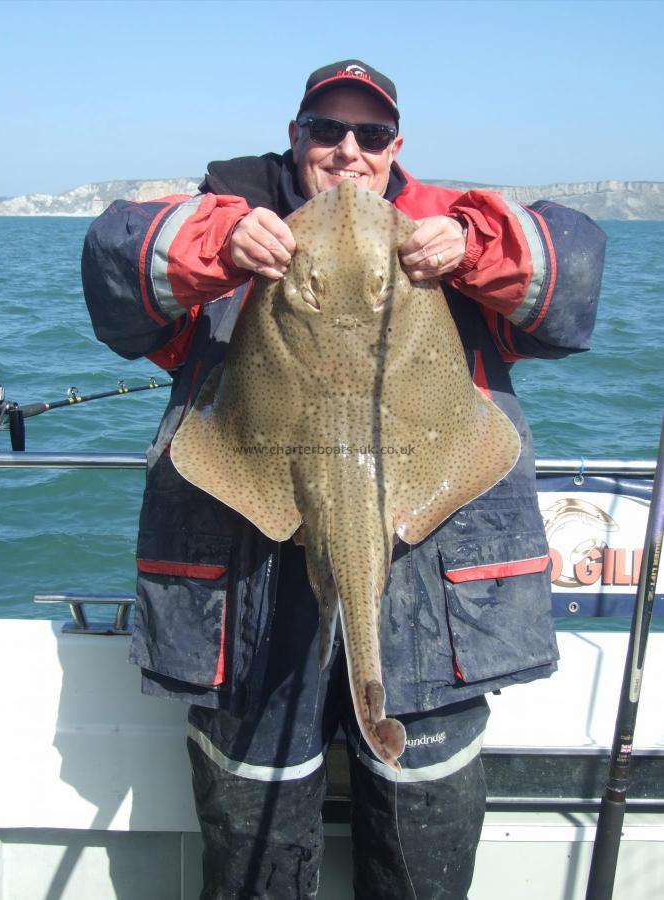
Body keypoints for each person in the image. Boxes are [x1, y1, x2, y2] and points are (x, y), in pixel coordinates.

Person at [82, 60, 606, 899]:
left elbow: (574, 273)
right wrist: (217, 244)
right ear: (295, 139)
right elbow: (113, 271)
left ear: (396, 147)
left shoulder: (446, 249)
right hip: (245, 622)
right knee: (251, 861)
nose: (347, 151)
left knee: (420, 863)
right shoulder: (230, 239)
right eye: (326, 130)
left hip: (434, 622)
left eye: (369, 134)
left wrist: (473, 247)